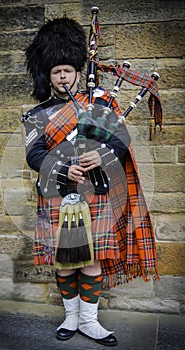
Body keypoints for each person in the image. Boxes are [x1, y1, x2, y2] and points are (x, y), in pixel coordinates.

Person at [22, 17, 159, 348]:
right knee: (64, 261)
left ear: (78, 71)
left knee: (93, 258)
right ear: (48, 75)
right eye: (56, 71)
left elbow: (123, 140)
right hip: (57, 194)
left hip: (94, 193)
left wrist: (103, 155)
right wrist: (61, 167)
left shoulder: (99, 104)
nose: (63, 76)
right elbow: (34, 156)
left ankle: (89, 321)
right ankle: (70, 317)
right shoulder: (36, 115)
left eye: (68, 70)